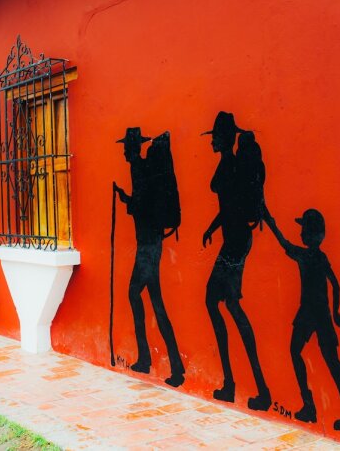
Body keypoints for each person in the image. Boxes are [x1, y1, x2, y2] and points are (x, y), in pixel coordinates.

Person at [265, 208, 340, 431]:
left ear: (310, 234)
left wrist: (270, 222)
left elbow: (284, 243)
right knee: (331, 360)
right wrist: (336, 313)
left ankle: (311, 406)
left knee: (299, 352)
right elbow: (335, 285)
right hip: (321, 313)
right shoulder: (320, 256)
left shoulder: (305, 256)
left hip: (309, 312)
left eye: (304, 230)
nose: (301, 233)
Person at [202, 111, 271, 411]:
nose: (212, 141)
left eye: (215, 137)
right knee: (225, 304)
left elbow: (229, 203)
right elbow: (228, 206)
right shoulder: (228, 163)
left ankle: (246, 386)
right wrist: (211, 228)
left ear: (225, 138)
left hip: (236, 242)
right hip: (235, 239)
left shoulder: (230, 164)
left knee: (220, 303)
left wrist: (216, 228)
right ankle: (240, 384)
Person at [114, 127, 185, 387]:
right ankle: (172, 364)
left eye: (127, 147)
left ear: (133, 148)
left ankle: (149, 359)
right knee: (155, 303)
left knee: (136, 294)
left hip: (148, 246)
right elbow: (142, 202)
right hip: (151, 242)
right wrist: (127, 198)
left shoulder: (138, 168)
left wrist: (127, 201)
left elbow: (141, 205)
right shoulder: (144, 168)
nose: (124, 151)